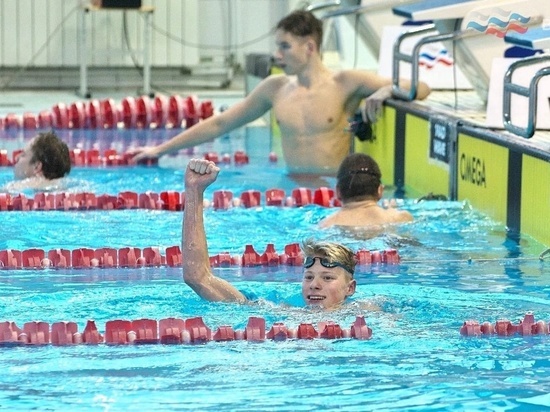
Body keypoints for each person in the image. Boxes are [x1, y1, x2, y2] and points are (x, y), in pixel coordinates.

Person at [132, 10, 430, 175]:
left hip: (330, 195)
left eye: (285, 46)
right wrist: (159, 150)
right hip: (289, 196)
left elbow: (422, 87)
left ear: (309, 47)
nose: (277, 54)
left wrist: (387, 90)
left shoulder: (344, 83)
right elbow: (221, 123)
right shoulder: (275, 89)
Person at [183, 158, 356, 309]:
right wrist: (194, 192)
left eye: (327, 278)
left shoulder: (370, 313)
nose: (314, 285)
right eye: (309, 277)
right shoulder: (282, 311)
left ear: (350, 288)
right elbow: (199, 278)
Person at [319, 153, 413, 228]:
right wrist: (392, 212)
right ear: (380, 190)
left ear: (338, 191)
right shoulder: (401, 218)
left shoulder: (326, 225)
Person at [4, 131, 71, 192]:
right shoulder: (62, 185)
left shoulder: (19, 187)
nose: (16, 158)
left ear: (37, 167)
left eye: (23, 155)